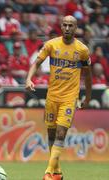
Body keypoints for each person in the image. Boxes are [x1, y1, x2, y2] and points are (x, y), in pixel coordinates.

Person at [25, 15, 92, 180]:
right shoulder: (51, 45)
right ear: (61, 27)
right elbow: (36, 63)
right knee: (51, 134)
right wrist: (28, 79)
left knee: (61, 134)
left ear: (75, 28)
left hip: (69, 98)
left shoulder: (82, 50)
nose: (68, 28)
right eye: (65, 25)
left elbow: (88, 76)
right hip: (52, 97)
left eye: (71, 25)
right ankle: (58, 172)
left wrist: (87, 97)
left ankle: (48, 172)